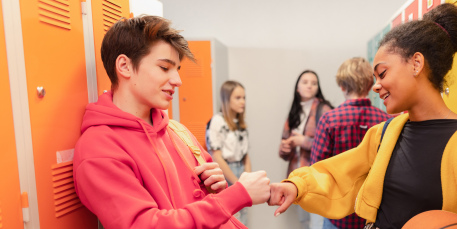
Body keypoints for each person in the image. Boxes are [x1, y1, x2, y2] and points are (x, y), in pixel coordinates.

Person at [269, 4, 457, 229]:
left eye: (382, 73)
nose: (377, 86)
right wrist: (296, 186)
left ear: (416, 64)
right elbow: (339, 175)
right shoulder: (384, 134)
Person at [73, 16, 270, 229]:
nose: (177, 80)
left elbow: (204, 206)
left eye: (177, 69)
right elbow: (146, 225)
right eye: (165, 68)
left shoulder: (177, 131)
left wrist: (215, 188)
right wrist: (236, 196)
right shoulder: (99, 149)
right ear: (125, 66)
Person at [311, 57, 392, 229]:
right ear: (371, 85)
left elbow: (317, 169)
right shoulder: (386, 122)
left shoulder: (329, 120)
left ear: (342, 86)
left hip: (338, 216)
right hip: (372, 215)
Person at [279, 70, 333, 229]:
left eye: (313, 83)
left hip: (317, 178)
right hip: (297, 178)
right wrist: (285, 147)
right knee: (304, 222)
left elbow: (330, 145)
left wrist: (303, 141)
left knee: (317, 223)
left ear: (317, 87)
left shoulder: (324, 109)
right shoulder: (294, 112)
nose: (309, 85)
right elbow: (283, 153)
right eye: (305, 82)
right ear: (297, 87)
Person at [207, 80, 251, 224]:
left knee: (243, 216)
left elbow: (245, 155)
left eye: (244, 98)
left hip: (241, 170)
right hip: (226, 172)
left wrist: (247, 177)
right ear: (226, 100)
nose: (242, 102)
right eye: (238, 98)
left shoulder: (240, 122)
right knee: (231, 218)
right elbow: (217, 156)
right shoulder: (217, 121)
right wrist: (237, 182)